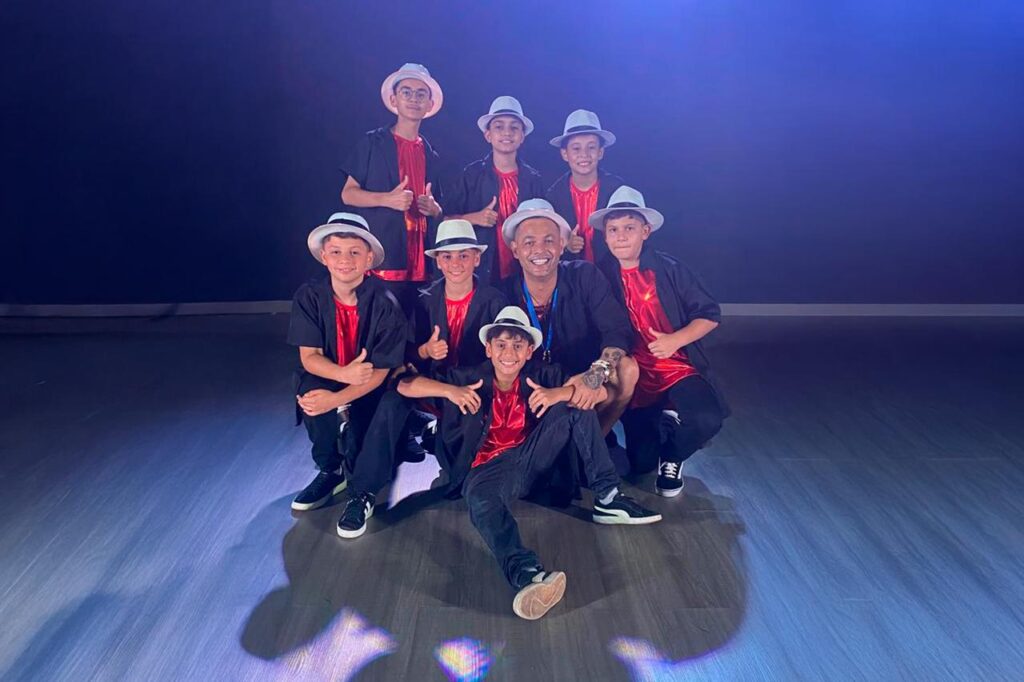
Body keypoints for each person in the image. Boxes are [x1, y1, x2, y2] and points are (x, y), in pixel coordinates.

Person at [397, 307, 661, 620]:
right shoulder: (464, 377)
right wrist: (449, 391)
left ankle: (608, 498)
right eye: (501, 345)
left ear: (529, 350)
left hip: (533, 459)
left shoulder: (543, 374)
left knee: (575, 406)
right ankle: (528, 575)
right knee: (480, 501)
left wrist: (558, 393)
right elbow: (403, 384)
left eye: (518, 346)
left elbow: (600, 393)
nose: (509, 354)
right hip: (486, 471)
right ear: (489, 349)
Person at [334, 219, 507, 538]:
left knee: (458, 480)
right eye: (448, 256)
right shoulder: (423, 299)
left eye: (464, 255)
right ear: (437, 261)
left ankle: (442, 442)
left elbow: (501, 360)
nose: (456, 264)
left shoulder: (495, 300)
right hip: (431, 386)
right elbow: (403, 358)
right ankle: (362, 493)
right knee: (391, 400)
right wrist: (425, 351)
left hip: (471, 391)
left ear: (477, 258)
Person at [593, 186, 729, 497]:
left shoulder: (670, 269)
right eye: (613, 230)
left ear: (646, 231)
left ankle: (674, 456)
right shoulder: (601, 274)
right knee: (641, 464)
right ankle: (663, 425)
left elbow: (709, 314)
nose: (621, 236)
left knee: (706, 419)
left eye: (629, 228)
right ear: (605, 236)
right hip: (635, 372)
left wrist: (675, 340)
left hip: (675, 364)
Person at [287, 213, 408, 512]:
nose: (345, 260)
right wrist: (343, 375)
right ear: (324, 257)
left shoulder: (386, 303)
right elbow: (309, 356)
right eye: (336, 252)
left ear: (369, 259)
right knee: (311, 391)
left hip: (371, 384)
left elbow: (380, 372)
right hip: (335, 373)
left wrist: (337, 399)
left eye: (355, 252)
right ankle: (331, 469)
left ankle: (364, 486)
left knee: (376, 424)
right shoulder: (308, 297)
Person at [498, 198, 638, 438]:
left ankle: (595, 441)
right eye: (529, 242)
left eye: (549, 240)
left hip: (582, 375)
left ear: (562, 244)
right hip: (530, 385)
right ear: (515, 250)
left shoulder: (585, 275)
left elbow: (617, 330)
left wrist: (594, 375)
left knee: (627, 369)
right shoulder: (501, 293)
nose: (540, 250)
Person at [339, 63, 445, 314]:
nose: (414, 99)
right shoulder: (373, 143)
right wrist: (387, 199)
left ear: (429, 104)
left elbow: (441, 211)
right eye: (406, 92)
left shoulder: (432, 154)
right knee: (382, 327)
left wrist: (435, 210)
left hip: (423, 263)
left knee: (420, 330)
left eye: (421, 94)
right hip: (385, 257)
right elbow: (348, 194)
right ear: (394, 99)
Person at [444, 96, 545, 284]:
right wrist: (473, 218)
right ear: (488, 135)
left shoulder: (533, 180)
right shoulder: (471, 176)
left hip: (525, 271)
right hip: (482, 271)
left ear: (522, 137)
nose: (507, 132)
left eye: (514, 127)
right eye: (499, 127)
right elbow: (443, 222)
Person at [545, 110, 624, 264]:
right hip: (571, 273)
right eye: (576, 148)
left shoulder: (617, 190)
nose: (584, 154)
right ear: (565, 154)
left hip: (612, 270)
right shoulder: (554, 196)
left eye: (591, 147)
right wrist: (565, 244)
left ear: (600, 152)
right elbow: (547, 238)